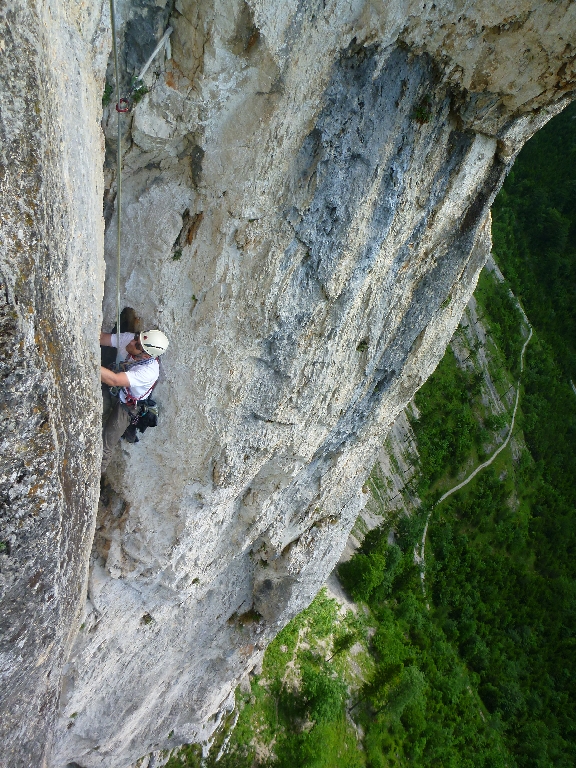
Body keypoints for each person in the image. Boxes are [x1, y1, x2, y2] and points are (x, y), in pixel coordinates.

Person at [100, 329, 169, 473]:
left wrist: (88, 362)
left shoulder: (149, 371)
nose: (132, 342)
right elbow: (101, 338)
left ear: (145, 355)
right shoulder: (131, 340)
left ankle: (92, 479)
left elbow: (114, 380)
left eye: (137, 345)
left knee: (106, 443)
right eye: (137, 338)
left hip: (127, 406)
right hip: (115, 392)